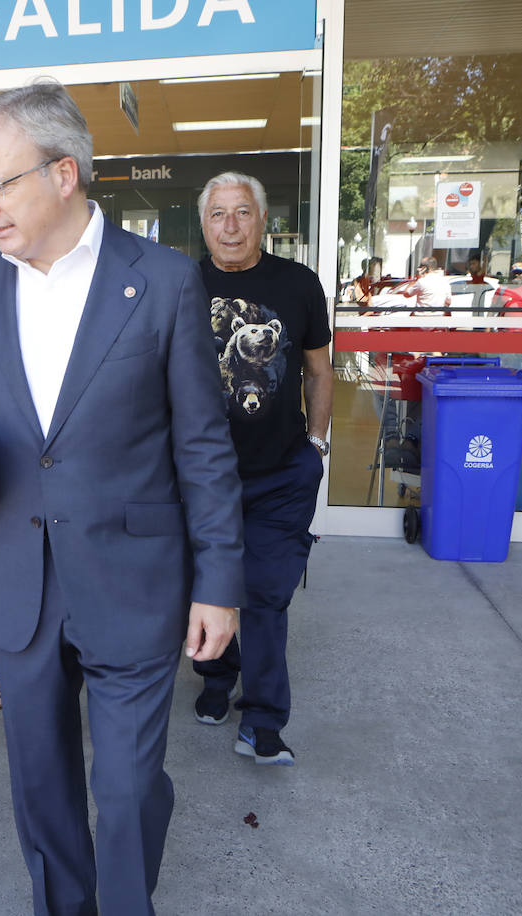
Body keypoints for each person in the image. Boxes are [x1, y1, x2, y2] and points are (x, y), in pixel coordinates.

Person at [0, 80, 244, 916]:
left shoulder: (165, 282)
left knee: (130, 783)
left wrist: (218, 583)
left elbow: (203, 447)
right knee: (40, 783)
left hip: (133, 575)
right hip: (18, 575)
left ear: (64, 174)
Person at [192, 171, 333, 766]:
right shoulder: (178, 285)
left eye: (242, 212)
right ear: (203, 223)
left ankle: (266, 719)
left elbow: (320, 371)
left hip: (280, 474)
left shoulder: (299, 284)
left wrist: (317, 445)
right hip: (201, 478)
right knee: (208, 586)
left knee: (266, 596)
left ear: (262, 219)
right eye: (218, 212)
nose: (230, 225)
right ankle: (218, 681)